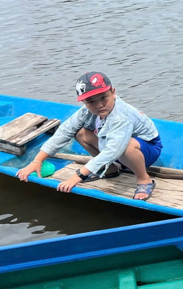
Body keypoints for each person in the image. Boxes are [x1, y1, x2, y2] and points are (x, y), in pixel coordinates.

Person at [16, 72, 163, 201]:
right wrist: (38, 160)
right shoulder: (86, 112)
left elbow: (113, 150)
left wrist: (79, 175)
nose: (99, 105)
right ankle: (110, 169)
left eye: (103, 98)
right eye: (91, 101)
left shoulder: (121, 117)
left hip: (146, 150)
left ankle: (144, 180)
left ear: (113, 92)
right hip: (115, 147)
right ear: (84, 102)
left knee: (126, 146)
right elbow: (64, 131)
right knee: (80, 133)